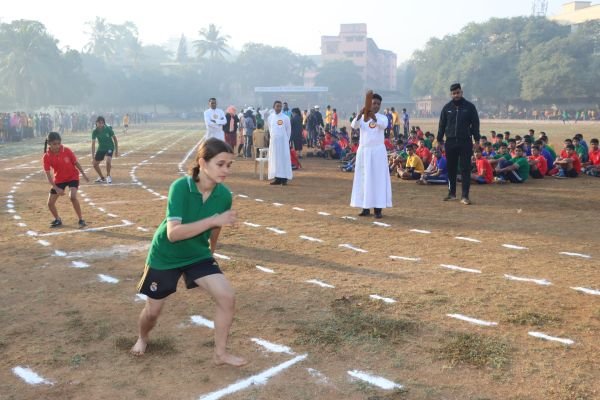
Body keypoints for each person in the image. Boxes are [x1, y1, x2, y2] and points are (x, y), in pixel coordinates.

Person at [131, 138, 247, 367]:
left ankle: (220, 354)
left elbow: (215, 230)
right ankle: (142, 337)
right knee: (153, 312)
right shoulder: (180, 187)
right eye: (220, 164)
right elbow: (173, 233)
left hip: (197, 254)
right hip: (166, 255)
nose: (226, 170)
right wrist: (213, 220)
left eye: (229, 165)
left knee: (227, 297)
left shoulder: (224, 195)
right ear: (202, 163)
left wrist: (210, 253)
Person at [436, 83, 480, 205]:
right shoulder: (447, 108)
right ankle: (452, 193)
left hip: (465, 141)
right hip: (450, 142)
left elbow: (475, 124)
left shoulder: (469, 107)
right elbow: (442, 125)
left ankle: (465, 196)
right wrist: (439, 140)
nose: (456, 95)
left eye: (458, 93)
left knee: (465, 169)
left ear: (462, 92)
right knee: (451, 168)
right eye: (454, 93)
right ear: (451, 94)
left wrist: (477, 140)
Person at [350, 93, 392, 219]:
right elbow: (354, 125)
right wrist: (360, 114)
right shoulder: (363, 118)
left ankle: (378, 209)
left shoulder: (382, 117)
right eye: (374, 103)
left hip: (378, 152)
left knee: (378, 179)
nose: (376, 106)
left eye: (378, 104)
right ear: (369, 104)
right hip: (364, 151)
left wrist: (373, 117)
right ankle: (365, 207)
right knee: (364, 179)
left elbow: (383, 125)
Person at [43, 132, 89, 228]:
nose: (57, 146)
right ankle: (57, 219)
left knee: (72, 197)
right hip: (59, 179)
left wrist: (83, 174)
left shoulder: (67, 150)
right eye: (54, 144)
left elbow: (76, 163)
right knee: (50, 203)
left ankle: (81, 219)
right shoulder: (46, 156)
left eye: (59, 143)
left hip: (72, 176)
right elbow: (48, 175)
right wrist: (56, 188)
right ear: (49, 144)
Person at [267, 100, 292, 185]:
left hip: (283, 143)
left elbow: (288, 130)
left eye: (280, 106)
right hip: (274, 143)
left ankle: (284, 179)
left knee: (283, 159)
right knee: (275, 160)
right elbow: (270, 129)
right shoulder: (270, 117)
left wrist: (286, 140)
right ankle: (277, 178)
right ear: (274, 107)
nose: (279, 108)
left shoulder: (285, 118)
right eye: (277, 106)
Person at [91, 116, 118, 184]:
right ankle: (102, 178)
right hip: (101, 148)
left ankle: (108, 176)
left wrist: (116, 150)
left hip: (110, 147)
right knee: (94, 164)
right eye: (99, 123)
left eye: (102, 123)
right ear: (96, 123)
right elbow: (93, 144)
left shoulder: (108, 129)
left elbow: (115, 139)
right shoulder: (94, 131)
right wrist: (93, 156)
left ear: (104, 123)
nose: (100, 124)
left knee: (108, 160)